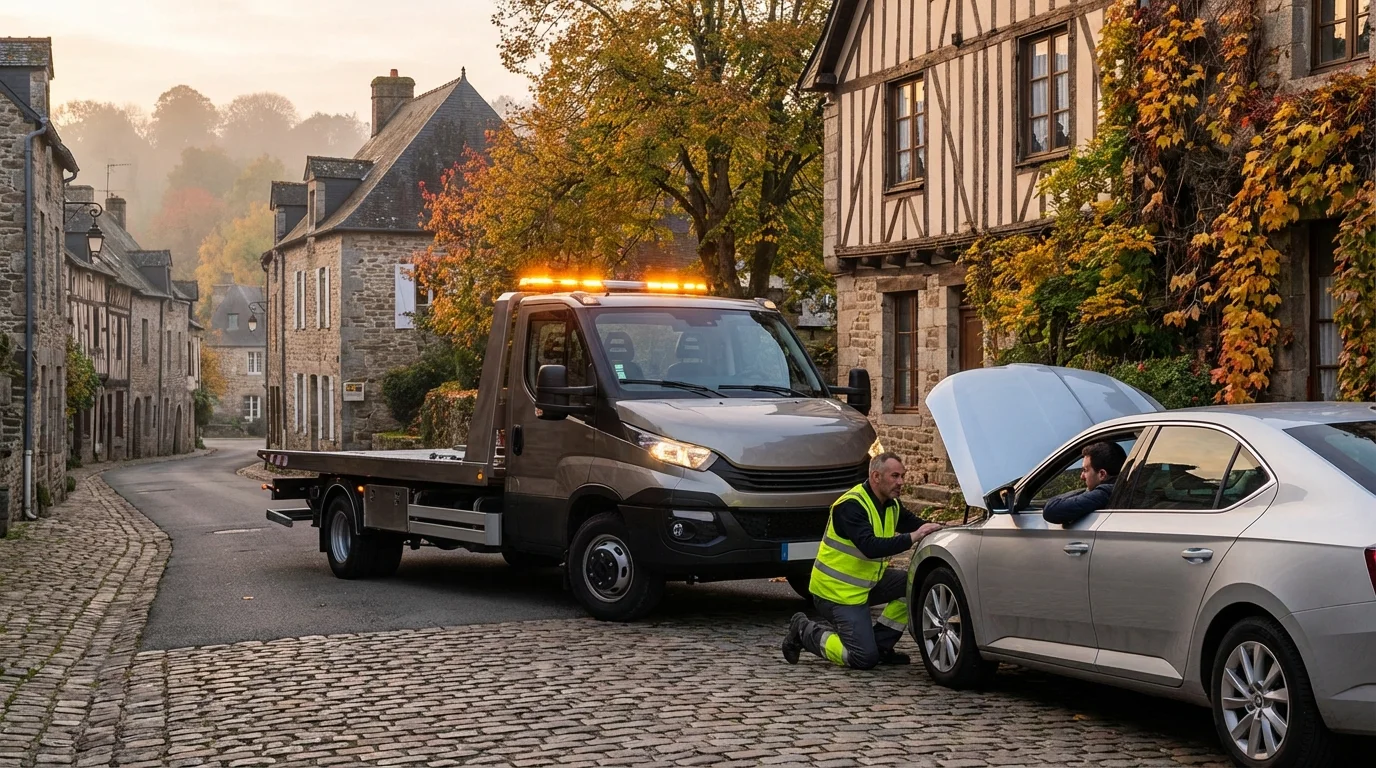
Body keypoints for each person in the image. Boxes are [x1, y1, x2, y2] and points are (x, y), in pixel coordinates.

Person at [781, 452, 944, 669]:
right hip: (836, 594)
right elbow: (869, 547)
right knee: (862, 658)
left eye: (902, 476)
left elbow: (916, 524)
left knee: (914, 584)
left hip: (865, 584)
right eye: (895, 476)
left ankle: (881, 645)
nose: (901, 482)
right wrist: (912, 537)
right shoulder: (850, 505)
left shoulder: (891, 504)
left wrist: (945, 531)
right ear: (876, 477)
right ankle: (803, 631)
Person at [1042, 441, 1127, 526]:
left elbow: (1050, 509)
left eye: (1085, 470)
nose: (1082, 477)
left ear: (1102, 474)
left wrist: (1087, 491)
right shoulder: (1119, 489)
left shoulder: (1104, 493)